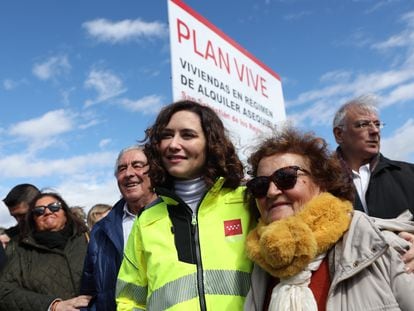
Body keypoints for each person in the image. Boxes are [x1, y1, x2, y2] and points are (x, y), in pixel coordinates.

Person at [243, 127, 414, 311]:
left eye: (285, 177)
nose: (271, 192)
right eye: (260, 185)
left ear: (321, 183)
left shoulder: (382, 245)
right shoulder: (260, 264)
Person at [116, 100, 253, 310]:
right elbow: (129, 300)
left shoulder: (248, 202)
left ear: (211, 143)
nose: (173, 144)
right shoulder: (146, 220)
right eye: (166, 135)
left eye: (187, 135)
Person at [81, 146, 157, 311]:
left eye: (137, 165)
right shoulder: (100, 231)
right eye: (122, 168)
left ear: (155, 171)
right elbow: (89, 293)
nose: (129, 173)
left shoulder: (179, 216)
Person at [0, 191, 91, 311]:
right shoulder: (22, 250)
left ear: (65, 212)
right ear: (33, 219)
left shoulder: (90, 239)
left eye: (54, 207)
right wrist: (52, 305)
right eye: (39, 211)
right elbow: (4, 292)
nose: (47, 212)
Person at [333, 94, 414, 218]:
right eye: (363, 124)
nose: (375, 131)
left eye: (377, 124)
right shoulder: (319, 181)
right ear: (339, 134)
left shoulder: (410, 174)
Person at [1, 183, 40, 249]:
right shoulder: (9, 237)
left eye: (22, 215)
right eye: (14, 216)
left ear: (38, 205)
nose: (18, 220)